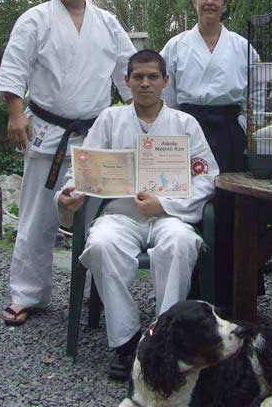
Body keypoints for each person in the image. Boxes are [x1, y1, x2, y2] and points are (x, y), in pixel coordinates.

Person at [56, 50, 218, 380]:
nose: (145, 84)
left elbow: (207, 175)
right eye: (138, 77)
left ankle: (166, 340)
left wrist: (166, 205)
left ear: (165, 82)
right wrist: (70, 192)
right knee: (100, 245)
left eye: (152, 77)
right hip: (120, 213)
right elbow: (85, 167)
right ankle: (126, 339)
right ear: (127, 82)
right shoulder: (109, 120)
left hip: (170, 215)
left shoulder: (185, 124)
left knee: (180, 244)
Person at [0, 0, 136, 326]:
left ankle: (102, 298)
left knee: (101, 219)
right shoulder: (35, 19)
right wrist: (14, 113)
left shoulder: (107, 22)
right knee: (37, 217)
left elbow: (130, 72)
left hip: (94, 136)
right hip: (47, 131)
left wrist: (143, 119)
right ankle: (28, 294)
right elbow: (14, 66)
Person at [160, 0, 263, 310]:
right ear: (194, 1)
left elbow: (258, 89)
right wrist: (172, 130)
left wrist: (247, 125)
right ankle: (188, 293)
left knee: (231, 207)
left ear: (224, 3)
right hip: (187, 130)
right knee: (186, 205)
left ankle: (234, 292)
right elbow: (167, 93)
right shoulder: (176, 46)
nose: (209, 1)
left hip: (229, 133)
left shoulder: (242, 46)